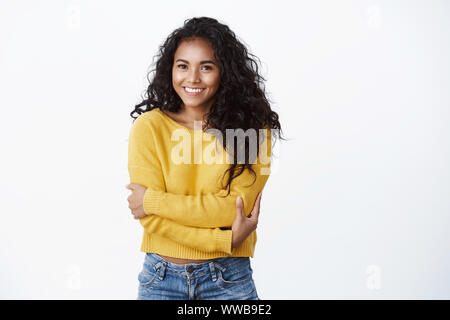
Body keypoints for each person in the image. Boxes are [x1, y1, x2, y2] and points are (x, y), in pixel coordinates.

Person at [126, 16, 283, 300]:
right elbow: (150, 221)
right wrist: (223, 239)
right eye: (183, 66)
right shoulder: (149, 127)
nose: (193, 78)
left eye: (206, 67)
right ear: (170, 69)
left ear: (225, 72)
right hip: (160, 280)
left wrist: (153, 200)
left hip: (228, 279)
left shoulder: (252, 128)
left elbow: (233, 209)